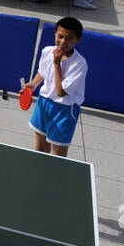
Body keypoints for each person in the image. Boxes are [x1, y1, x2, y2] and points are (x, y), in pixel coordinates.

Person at [27, 16, 88, 155]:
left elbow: (61, 92)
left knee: (58, 155)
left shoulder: (79, 64)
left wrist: (57, 63)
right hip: (44, 102)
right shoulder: (47, 51)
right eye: (60, 36)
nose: (62, 41)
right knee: (41, 148)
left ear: (77, 40)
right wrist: (34, 84)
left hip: (64, 109)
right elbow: (42, 72)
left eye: (69, 38)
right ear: (55, 34)